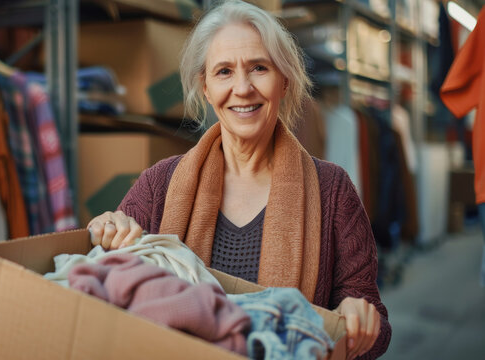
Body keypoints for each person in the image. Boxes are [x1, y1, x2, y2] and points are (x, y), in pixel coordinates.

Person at [87, 1, 391, 358]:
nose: (243, 88)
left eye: (259, 68)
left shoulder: (333, 192)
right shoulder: (159, 185)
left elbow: (376, 326)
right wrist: (104, 231)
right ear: (205, 88)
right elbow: (105, 278)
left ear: (284, 80)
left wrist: (359, 318)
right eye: (224, 72)